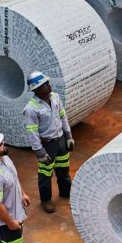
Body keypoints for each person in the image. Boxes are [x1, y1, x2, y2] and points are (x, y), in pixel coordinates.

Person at [23, 71, 75, 214]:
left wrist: (69, 136)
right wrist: (40, 153)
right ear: (36, 89)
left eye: (47, 83)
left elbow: (63, 117)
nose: (49, 86)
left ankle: (66, 192)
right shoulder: (31, 109)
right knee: (46, 174)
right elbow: (32, 133)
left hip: (61, 142)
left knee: (63, 169)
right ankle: (46, 200)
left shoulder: (56, 98)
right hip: (48, 146)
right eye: (44, 85)